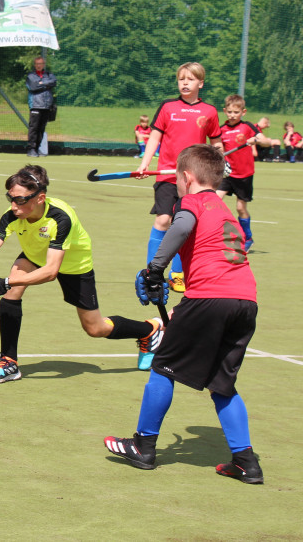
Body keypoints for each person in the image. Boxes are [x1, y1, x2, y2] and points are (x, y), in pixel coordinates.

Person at [104, 145, 262, 484]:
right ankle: (246, 462)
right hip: (245, 300)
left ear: (187, 178)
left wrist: (155, 269)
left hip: (211, 297)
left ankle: (143, 446)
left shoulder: (191, 202)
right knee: (222, 383)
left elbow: (180, 228)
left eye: (177, 178)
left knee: (162, 366)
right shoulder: (223, 208)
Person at [0, 165, 164, 383]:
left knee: (95, 328)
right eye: (10, 198)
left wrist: (5, 281)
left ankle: (149, 330)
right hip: (34, 254)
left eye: (20, 200)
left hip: (74, 265)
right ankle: (9, 362)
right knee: (11, 294)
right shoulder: (11, 216)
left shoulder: (60, 218)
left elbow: (50, 271)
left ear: (40, 198)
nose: (13, 205)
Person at [135, 62, 221, 293]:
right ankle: (151, 271)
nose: (185, 83)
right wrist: (145, 164)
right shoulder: (167, 107)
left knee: (184, 225)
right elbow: (154, 138)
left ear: (200, 83)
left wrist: (221, 161)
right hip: (168, 176)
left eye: (190, 79)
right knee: (163, 220)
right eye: (181, 79)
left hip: (193, 180)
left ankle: (177, 273)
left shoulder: (210, 112)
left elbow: (216, 143)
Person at [216, 95, 260, 253]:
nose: (232, 115)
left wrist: (256, 139)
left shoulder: (247, 127)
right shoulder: (221, 130)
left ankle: (247, 238)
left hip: (245, 175)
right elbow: (217, 149)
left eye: (236, 112)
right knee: (214, 200)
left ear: (243, 112)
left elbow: (265, 140)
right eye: (229, 112)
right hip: (227, 174)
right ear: (225, 111)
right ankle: (222, 235)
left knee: (241, 208)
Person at [24, 56, 56, 157]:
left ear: (43, 65)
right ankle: (31, 149)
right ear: (35, 65)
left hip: (46, 106)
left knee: (42, 128)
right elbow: (33, 86)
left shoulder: (49, 75)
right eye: (37, 64)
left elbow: (53, 82)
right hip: (35, 105)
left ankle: (37, 148)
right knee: (34, 128)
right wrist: (46, 85)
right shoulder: (31, 76)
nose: (39, 66)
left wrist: (41, 83)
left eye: (41, 64)